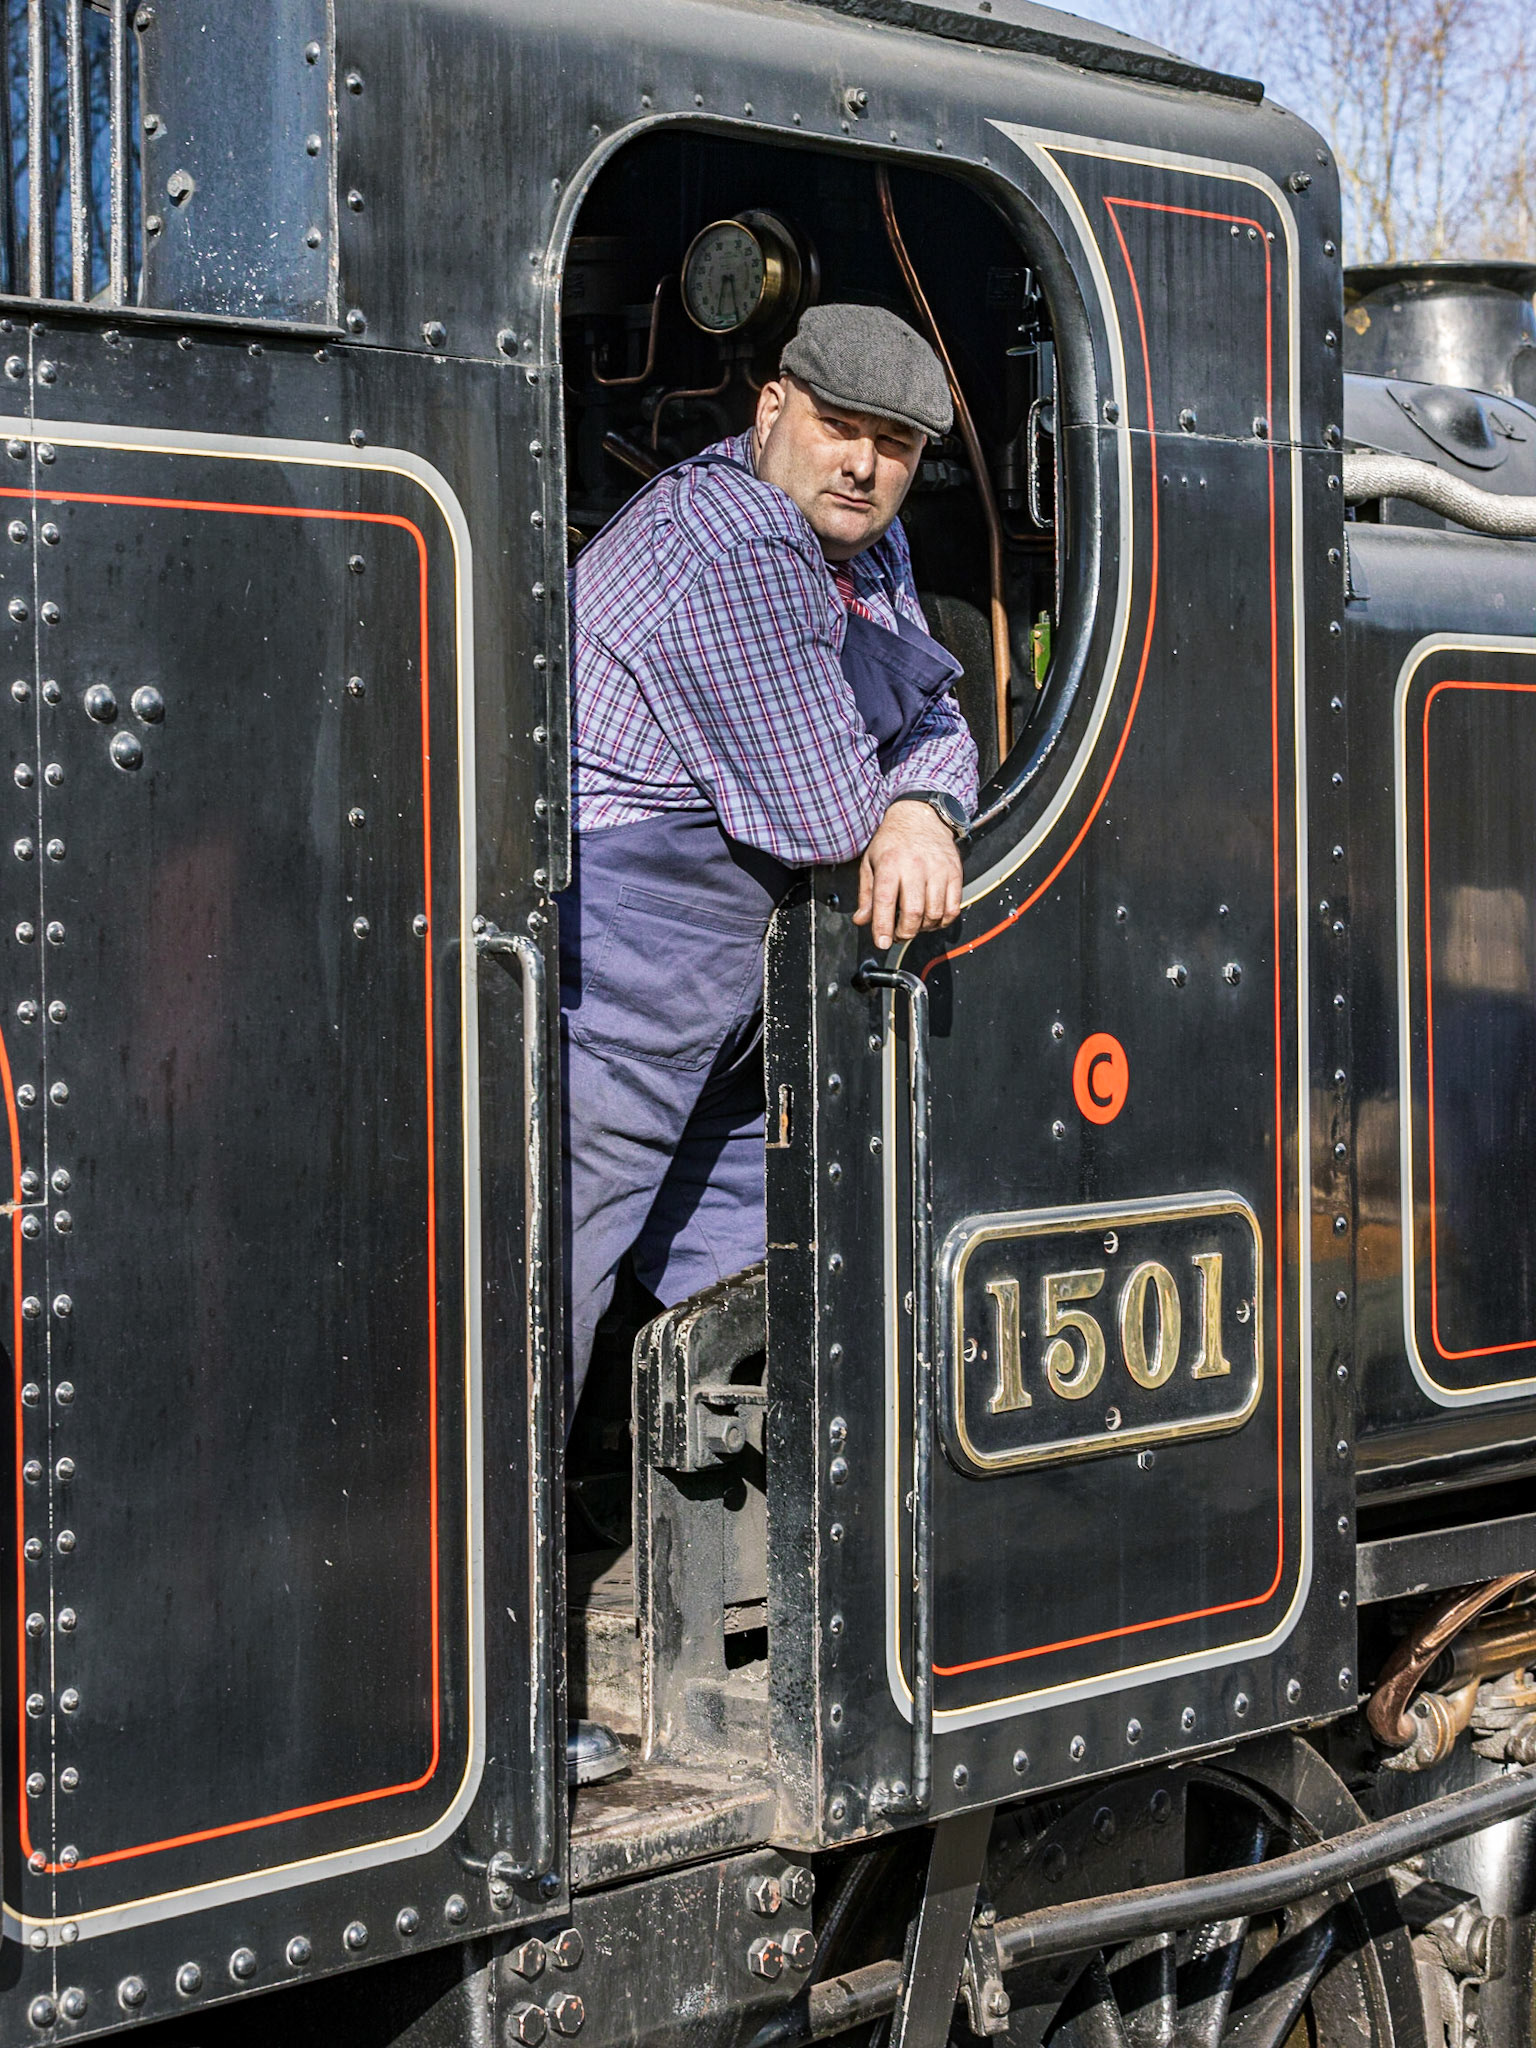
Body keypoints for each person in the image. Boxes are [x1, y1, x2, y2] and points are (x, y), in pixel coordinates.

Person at [559, 304, 979, 1779]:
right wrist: (904, 786)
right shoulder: (737, 542)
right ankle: (497, 1671)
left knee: (742, 1284)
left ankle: (724, 1619)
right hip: (619, 951)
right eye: (846, 430)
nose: (868, 467)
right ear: (772, 405)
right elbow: (816, 815)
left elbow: (934, 713)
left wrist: (925, 799)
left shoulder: (860, 551)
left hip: (725, 978)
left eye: (900, 447)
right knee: (542, 1288)